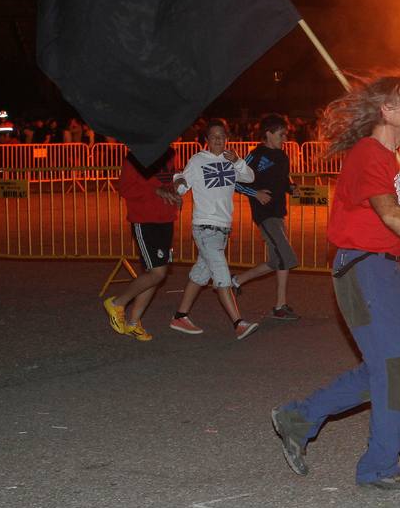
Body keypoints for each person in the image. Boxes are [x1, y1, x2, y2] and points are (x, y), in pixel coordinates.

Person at [269, 75, 400, 491]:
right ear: (387, 111)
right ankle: (379, 467)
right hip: (366, 268)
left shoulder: (386, 158)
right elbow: (388, 216)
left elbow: (386, 208)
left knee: (385, 369)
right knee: (399, 369)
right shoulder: (372, 154)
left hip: (377, 268)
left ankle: (298, 418)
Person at [169, 120, 258, 340]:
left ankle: (180, 316)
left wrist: (237, 161)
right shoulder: (198, 160)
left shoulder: (231, 160)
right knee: (221, 273)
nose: (218, 139)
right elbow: (181, 187)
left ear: (227, 138)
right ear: (206, 140)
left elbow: (250, 177)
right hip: (205, 226)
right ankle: (238, 322)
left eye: (222, 135)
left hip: (224, 227)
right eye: (213, 136)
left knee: (202, 273)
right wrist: (176, 176)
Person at [103, 150, 181, 341]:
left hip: (166, 218)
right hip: (145, 220)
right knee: (158, 273)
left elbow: (170, 181)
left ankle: (133, 323)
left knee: (154, 274)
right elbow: (125, 188)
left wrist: (175, 191)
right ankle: (117, 303)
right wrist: (155, 190)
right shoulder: (136, 156)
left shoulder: (171, 153)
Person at [232, 114, 301, 321]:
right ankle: (278, 305)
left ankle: (238, 282)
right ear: (268, 134)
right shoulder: (255, 155)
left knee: (277, 258)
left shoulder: (283, 156)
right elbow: (235, 181)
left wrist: (291, 188)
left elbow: (283, 180)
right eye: (281, 135)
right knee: (285, 256)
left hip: (279, 212)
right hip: (265, 215)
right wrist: (256, 194)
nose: (285, 139)